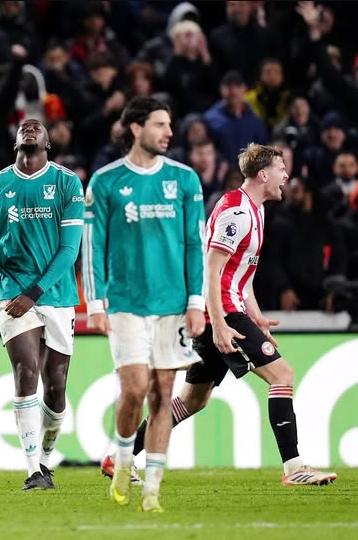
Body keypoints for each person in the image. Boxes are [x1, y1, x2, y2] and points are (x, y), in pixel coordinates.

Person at [108, 144, 339, 488]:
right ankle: (294, 467)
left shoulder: (256, 210)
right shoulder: (237, 212)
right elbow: (211, 271)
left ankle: (121, 458)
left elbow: (242, 274)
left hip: (226, 310)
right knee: (282, 375)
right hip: (221, 313)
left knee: (193, 400)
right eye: (281, 169)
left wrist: (256, 316)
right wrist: (218, 323)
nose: (286, 176)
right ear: (263, 174)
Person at [82, 96, 206, 513]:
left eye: (169, 125)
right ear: (135, 128)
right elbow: (93, 246)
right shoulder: (105, 182)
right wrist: (95, 303)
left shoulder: (185, 179)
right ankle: (122, 460)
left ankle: (152, 488)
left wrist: (196, 302)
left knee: (162, 394)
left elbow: (195, 244)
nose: (169, 132)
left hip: (172, 304)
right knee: (134, 388)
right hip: (126, 303)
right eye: (159, 124)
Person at [0, 118, 84, 490]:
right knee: (25, 371)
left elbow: (69, 250)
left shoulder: (66, 182)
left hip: (55, 294)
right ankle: (33, 471)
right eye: (23, 128)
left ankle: (46, 459)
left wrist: (35, 293)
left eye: (37, 127)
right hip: (13, 293)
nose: (29, 129)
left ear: (48, 143)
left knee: (56, 386)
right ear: (16, 141)